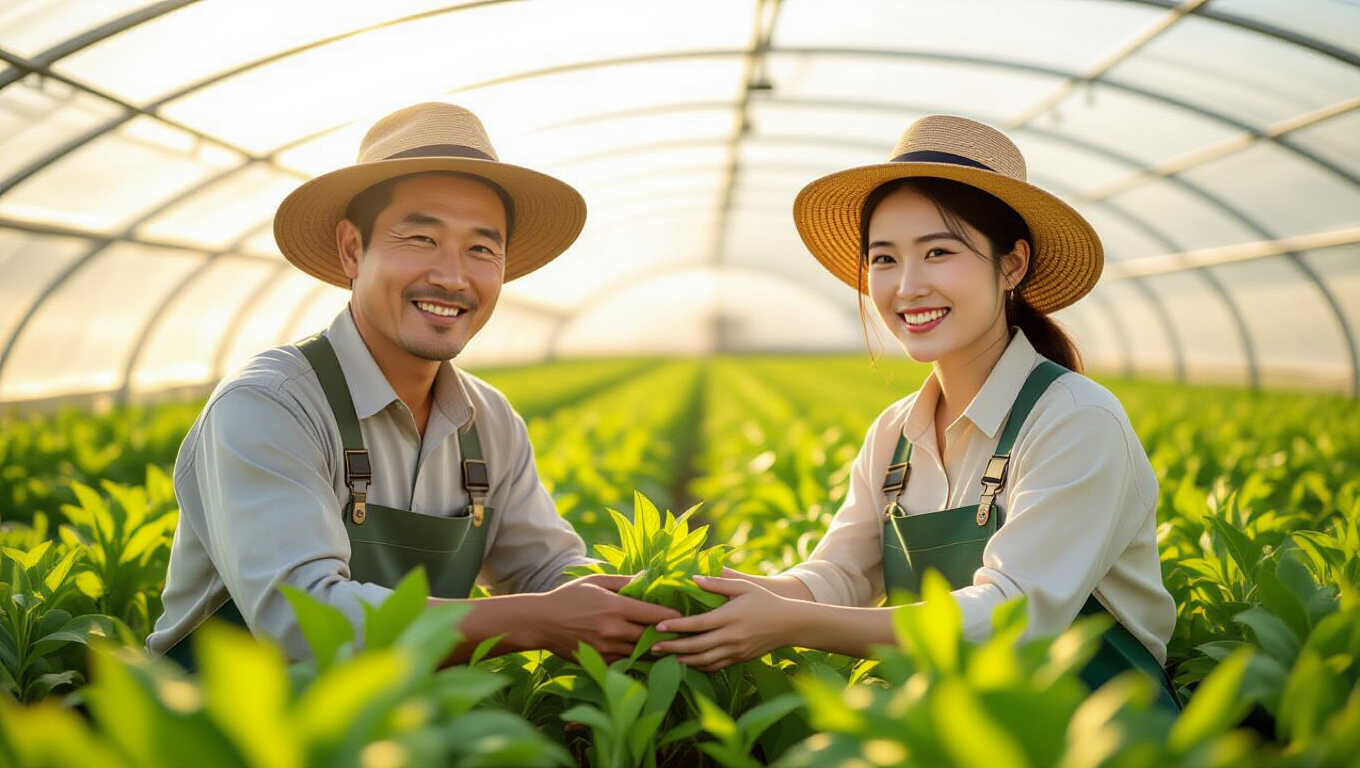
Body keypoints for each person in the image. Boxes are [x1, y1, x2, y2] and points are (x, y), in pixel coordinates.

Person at [651, 114, 1179, 710]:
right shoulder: (894, 433)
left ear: (1012, 264)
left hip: (1099, 733)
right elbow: (840, 576)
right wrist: (698, 592)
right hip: (953, 729)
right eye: (884, 259)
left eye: (938, 252)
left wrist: (791, 623)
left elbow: (1013, 614)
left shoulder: (1076, 419)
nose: (907, 286)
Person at [147, 102, 678, 667]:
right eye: (422, 239)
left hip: (394, 718)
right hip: (221, 716)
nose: (452, 277)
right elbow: (302, 620)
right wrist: (533, 620)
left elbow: (546, 571)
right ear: (353, 249)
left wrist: (675, 600)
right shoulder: (269, 404)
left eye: (481, 249)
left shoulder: (489, 420)